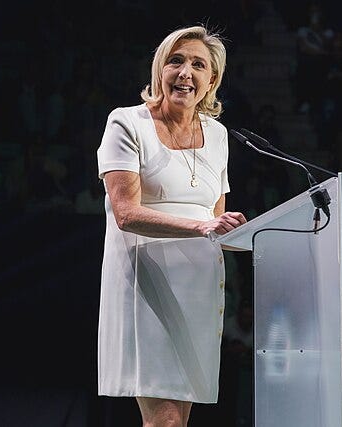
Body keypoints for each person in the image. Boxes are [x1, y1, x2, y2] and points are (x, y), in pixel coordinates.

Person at [95, 25, 248, 427]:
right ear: (159, 70)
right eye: (176, 61)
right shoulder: (127, 123)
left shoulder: (218, 135)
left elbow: (217, 219)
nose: (185, 72)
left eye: (198, 65)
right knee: (164, 421)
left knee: (178, 420)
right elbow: (126, 213)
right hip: (147, 283)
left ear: (211, 80)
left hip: (199, 288)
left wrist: (261, 237)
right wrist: (202, 227)